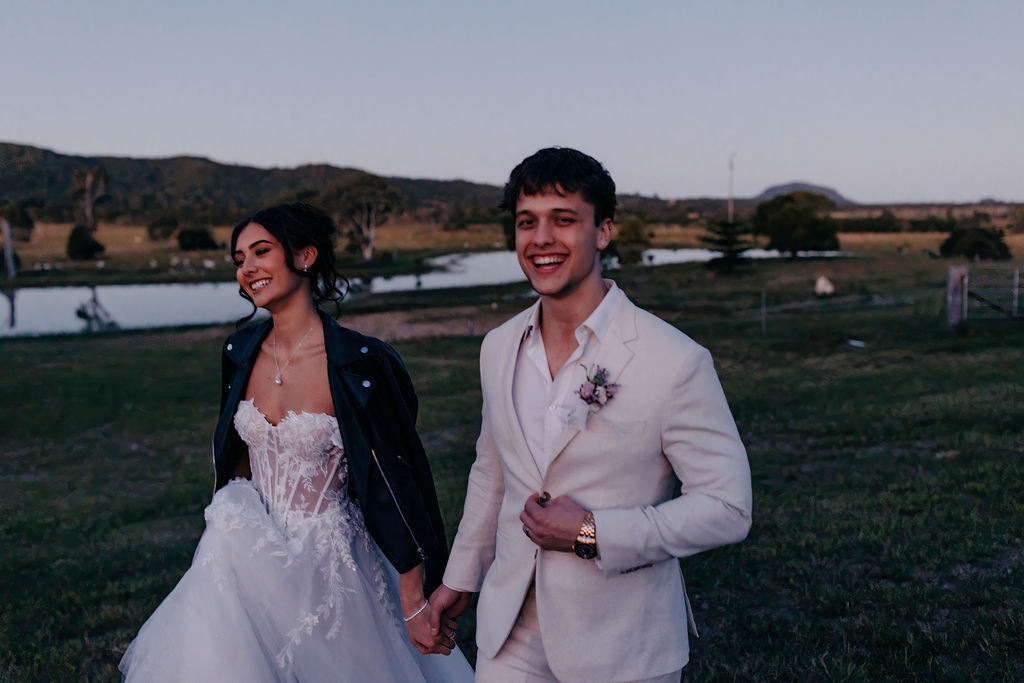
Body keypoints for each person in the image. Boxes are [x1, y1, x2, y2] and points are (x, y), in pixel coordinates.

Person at [429, 148, 753, 682]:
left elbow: (727, 507)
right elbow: (492, 473)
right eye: (526, 222)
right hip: (507, 637)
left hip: (620, 645)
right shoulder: (498, 346)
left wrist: (590, 532)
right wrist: (461, 578)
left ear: (602, 232)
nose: (540, 240)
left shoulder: (673, 360)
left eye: (563, 220)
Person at [120, 203, 473, 681]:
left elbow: (397, 480)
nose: (247, 268)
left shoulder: (361, 363)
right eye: (239, 259)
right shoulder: (239, 351)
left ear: (305, 257)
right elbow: (238, 458)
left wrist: (413, 599)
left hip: (333, 564)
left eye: (261, 252)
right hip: (250, 557)